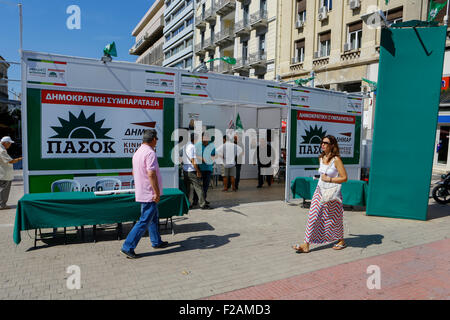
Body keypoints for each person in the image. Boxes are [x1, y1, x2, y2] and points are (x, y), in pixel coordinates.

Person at [293, 135, 348, 253]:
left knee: (335, 219)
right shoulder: (321, 157)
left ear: (332, 145)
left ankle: (341, 240)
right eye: (322, 142)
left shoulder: (336, 160)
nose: (322, 144)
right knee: (312, 216)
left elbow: (344, 178)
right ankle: (306, 244)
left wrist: (329, 179)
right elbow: (322, 175)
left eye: (326, 143)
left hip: (332, 194)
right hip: (319, 191)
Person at [121, 129, 168, 259]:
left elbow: (133, 172)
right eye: (157, 139)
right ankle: (127, 246)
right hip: (149, 193)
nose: (157, 141)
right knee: (144, 221)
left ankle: (156, 241)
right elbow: (151, 174)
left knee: (153, 217)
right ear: (153, 139)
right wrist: (156, 192)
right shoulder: (150, 153)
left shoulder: (137, 152)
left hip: (143, 191)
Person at [183, 133, 211, 210]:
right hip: (192, 170)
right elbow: (193, 160)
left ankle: (186, 204)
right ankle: (203, 204)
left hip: (185, 170)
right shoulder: (192, 147)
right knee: (199, 187)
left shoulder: (185, 146)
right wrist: (198, 171)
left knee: (187, 189)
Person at [192, 133, 215, 206]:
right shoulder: (197, 145)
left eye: (205, 140)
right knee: (197, 186)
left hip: (208, 169)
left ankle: (203, 200)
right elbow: (194, 156)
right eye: (202, 139)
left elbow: (214, 155)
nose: (203, 141)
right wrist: (202, 159)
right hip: (199, 168)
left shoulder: (212, 146)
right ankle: (195, 201)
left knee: (205, 186)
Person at [0, 137, 22, 210]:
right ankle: (2, 205)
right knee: (4, 190)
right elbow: (10, 161)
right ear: (5, 143)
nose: (10, 145)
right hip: (4, 174)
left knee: (2, 189)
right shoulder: (2, 150)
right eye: (9, 143)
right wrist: (20, 159)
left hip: (3, 173)